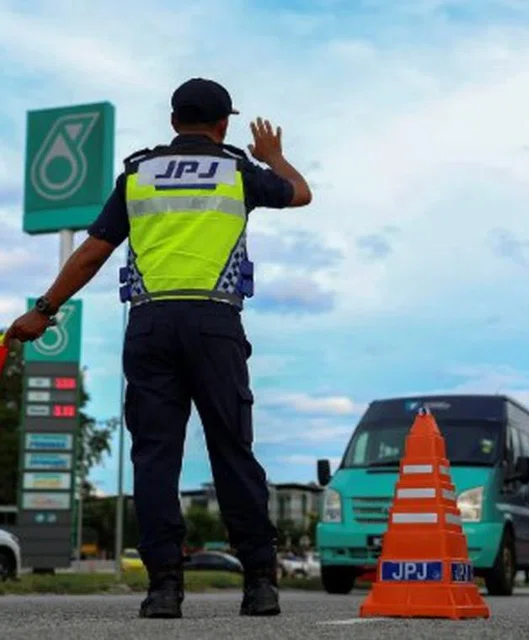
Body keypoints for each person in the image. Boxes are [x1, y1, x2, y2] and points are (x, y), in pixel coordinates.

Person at [5, 78, 313, 619]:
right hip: (215, 325)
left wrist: (44, 309)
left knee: (154, 458)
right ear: (223, 125)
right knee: (232, 453)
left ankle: (164, 589)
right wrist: (274, 156)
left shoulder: (138, 174)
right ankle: (260, 585)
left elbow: (92, 253)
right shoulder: (238, 171)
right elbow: (300, 192)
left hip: (149, 327)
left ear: (173, 121)